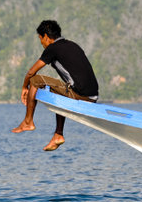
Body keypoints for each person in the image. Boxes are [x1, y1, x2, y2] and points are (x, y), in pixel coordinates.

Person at [12, 20, 99, 151]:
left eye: (40, 39)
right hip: (92, 96)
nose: (41, 43)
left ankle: (28, 121)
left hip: (80, 94)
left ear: (46, 36)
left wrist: (25, 87)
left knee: (35, 80)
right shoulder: (72, 45)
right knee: (59, 91)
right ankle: (58, 135)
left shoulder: (52, 48)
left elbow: (31, 72)